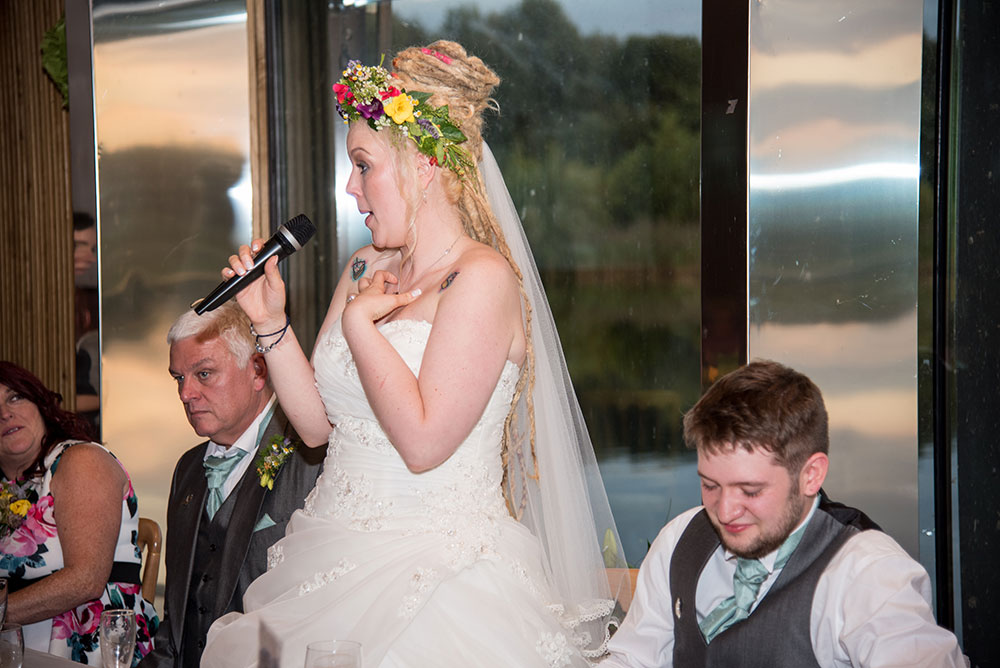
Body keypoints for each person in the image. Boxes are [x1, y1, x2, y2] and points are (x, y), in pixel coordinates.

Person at [201, 41, 625, 667]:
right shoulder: (364, 267)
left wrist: (363, 330)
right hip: (331, 554)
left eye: (363, 164)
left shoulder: (482, 280)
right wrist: (270, 324)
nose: (351, 187)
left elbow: (425, 443)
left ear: (423, 165)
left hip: (443, 580)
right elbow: (318, 427)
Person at [601, 359, 966, 668]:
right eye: (710, 485)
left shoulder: (868, 573)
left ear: (811, 475)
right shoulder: (679, 538)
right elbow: (634, 658)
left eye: (750, 490)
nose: (725, 511)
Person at [140, 302, 323, 668]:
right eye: (179, 377)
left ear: (258, 371)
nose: (185, 394)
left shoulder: (311, 460)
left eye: (204, 374)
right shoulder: (188, 468)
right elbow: (178, 621)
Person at [0, 361, 158, 664]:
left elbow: (86, 579)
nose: (5, 412)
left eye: (16, 397)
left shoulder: (80, 460)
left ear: (41, 404)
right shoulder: (7, 487)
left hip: (91, 646)